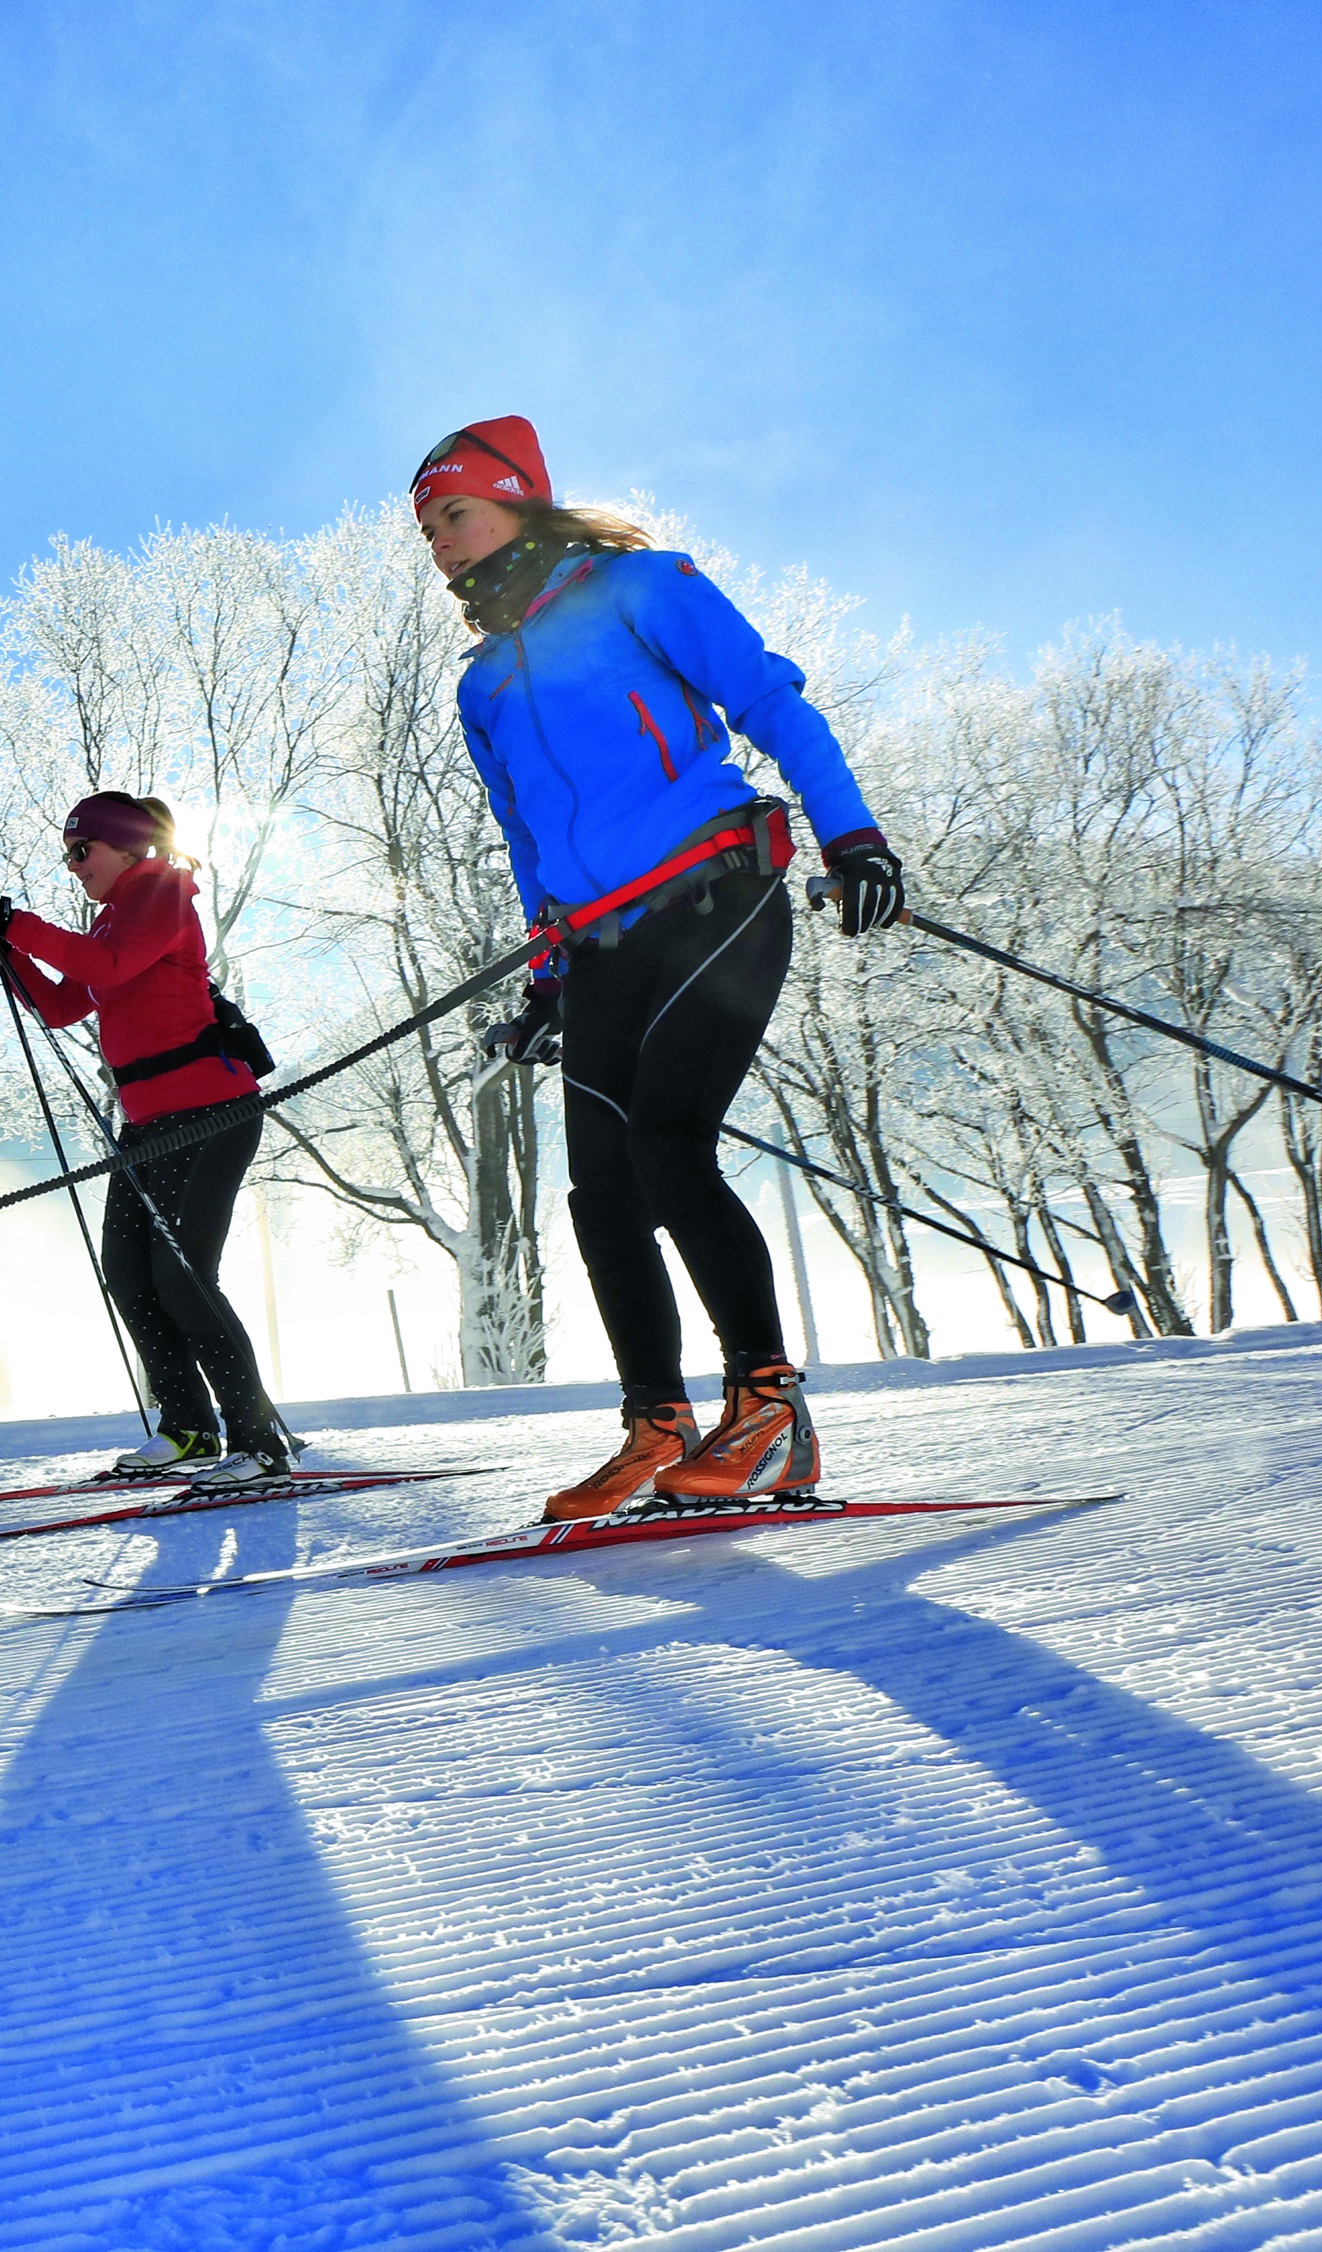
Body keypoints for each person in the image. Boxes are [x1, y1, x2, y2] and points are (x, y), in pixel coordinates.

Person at [412, 414, 907, 1520]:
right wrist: (544, 975)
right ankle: (655, 1428)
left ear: (517, 498)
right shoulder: (482, 684)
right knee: (599, 1193)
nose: (438, 541)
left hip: (712, 895)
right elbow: (526, 837)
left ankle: (771, 1412)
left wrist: (853, 836)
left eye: (453, 512)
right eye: (427, 529)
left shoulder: (639, 586)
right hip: (594, 944)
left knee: (668, 1143)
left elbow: (768, 700)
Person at [0, 794, 296, 1486]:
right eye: (69, 855)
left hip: (213, 1111)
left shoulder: (161, 893)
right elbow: (66, 1004)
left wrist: (16, 921)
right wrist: (6, 950)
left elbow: (105, 969)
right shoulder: (110, 920)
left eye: (83, 852)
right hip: (148, 1125)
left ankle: (258, 1444)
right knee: (131, 1278)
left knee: (184, 1279)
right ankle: (189, 1430)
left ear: (126, 846)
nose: (74, 867)